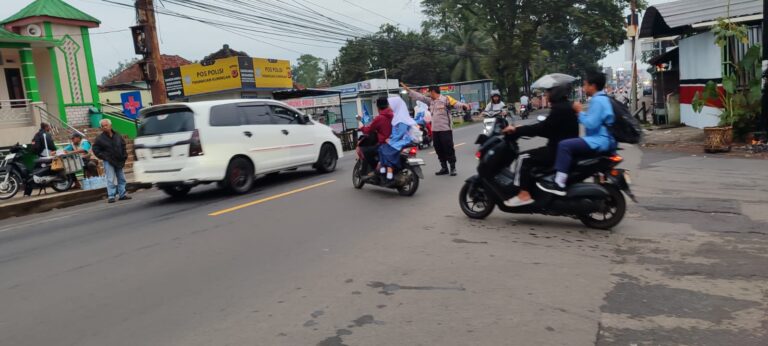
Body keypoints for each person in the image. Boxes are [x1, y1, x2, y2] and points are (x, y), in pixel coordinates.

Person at [537, 72, 616, 196]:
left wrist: (579, 112)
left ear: (593, 86)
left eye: (585, 85)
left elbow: (591, 124)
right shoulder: (602, 99)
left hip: (598, 140)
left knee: (564, 145)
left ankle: (559, 183)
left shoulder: (598, 101)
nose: (583, 88)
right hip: (601, 139)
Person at [500, 83, 579, 206]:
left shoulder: (559, 109)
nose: (545, 95)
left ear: (555, 93)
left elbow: (543, 129)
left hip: (556, 150)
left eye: (547, 92)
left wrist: (517, 130)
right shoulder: (567, 106)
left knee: (522, 158)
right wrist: (522, 128)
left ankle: (524, 194)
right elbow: (548, 128)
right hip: (562, 148)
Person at [401, 83, 470, 176]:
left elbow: (457, 104)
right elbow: (420, 97)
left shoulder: (446, 99)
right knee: (438, 149)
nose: (428, 94)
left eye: (429, 92)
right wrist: (409, 91)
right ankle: (444, 168)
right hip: (435, 130)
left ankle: (453, 168)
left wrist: (465, 106)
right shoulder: (430, 101)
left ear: (433, 91)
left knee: (448, 149)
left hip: (445, 130)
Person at [377, 97, 417, 183]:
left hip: (403, 140)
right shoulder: (397, 116)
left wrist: (391, 140)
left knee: (386, 150)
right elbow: (395, 132)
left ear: (396, 105)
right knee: (381, 148)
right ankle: (384, 167)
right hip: (397, 139)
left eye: (390, 104)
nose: (389, 106)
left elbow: (400, 133)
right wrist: (390, 138)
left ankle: (389, 170)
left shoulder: (402, 118)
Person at [92, 119, 131, 203]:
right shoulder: (99, 138)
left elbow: (123, 145)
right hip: (108, 161)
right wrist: (105, 157)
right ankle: (111, 196)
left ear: (110, 125)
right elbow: (95, 149)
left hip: (119, 159)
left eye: (106, 125)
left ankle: (122, 195)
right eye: (103, 126)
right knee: (110, 179)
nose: (104, 127)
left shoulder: (117, 135)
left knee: (121, 178)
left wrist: (124, 155)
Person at [359, 97, 394, 176]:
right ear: (388, 105)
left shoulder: (379, 118)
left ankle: (375, 170)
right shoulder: (394, 115)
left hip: (384, 144)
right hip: (395, 143)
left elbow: (368, 130)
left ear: (378, 107)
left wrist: (361, 128)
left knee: (365, 151)